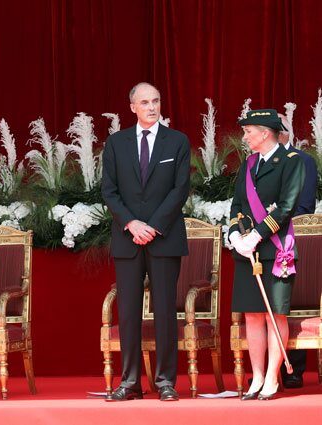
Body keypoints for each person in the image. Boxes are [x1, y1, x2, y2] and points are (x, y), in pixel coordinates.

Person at [101, 82, 191, 402]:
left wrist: (152, 226)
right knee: (128, 312)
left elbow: (180, 190)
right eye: (144, 102)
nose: (151, 107)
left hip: (163, 239)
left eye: (156, 101)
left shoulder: (177, 141)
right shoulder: (116, 143)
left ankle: (165, 381)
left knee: (165, 311)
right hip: (128, 239)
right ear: (132, 107)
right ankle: (130, 382)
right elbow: (109, 191)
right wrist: (132, 223)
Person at [229, 109, 305, 401]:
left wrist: (258, 235)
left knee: (275, 314)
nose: (245, 136)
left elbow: (286, 207)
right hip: (248, 251)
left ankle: (273, 376)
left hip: (276, 249)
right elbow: (237, 204)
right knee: (252, 315)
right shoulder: (248, 165)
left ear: (265, 133)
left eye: (249, 131)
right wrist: (236, 234)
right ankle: (257, 375)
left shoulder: (291, 162)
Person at [278, 113, 318, 389]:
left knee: (291, 301)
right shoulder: (255, 163)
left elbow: (305, 205)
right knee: (266, 306)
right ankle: (267, 368)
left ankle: (294, 369)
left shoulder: (303, 161)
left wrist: (275, 227)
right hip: (262, 241)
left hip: (291, 239)